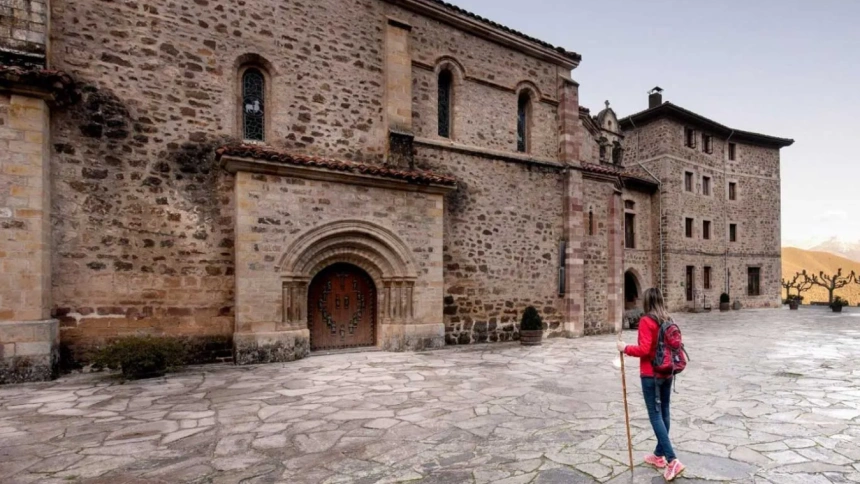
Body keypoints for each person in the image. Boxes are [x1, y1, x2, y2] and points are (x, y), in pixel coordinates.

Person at [617, 287, 685, 481]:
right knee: (664, 412)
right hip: (667, 372)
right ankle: (658, 455)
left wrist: (625, 348)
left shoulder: (646, 321)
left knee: (655, 416)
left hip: (650, 374)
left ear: (646, 302)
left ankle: (672, 460)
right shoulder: (668, 319)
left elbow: (645, 350)